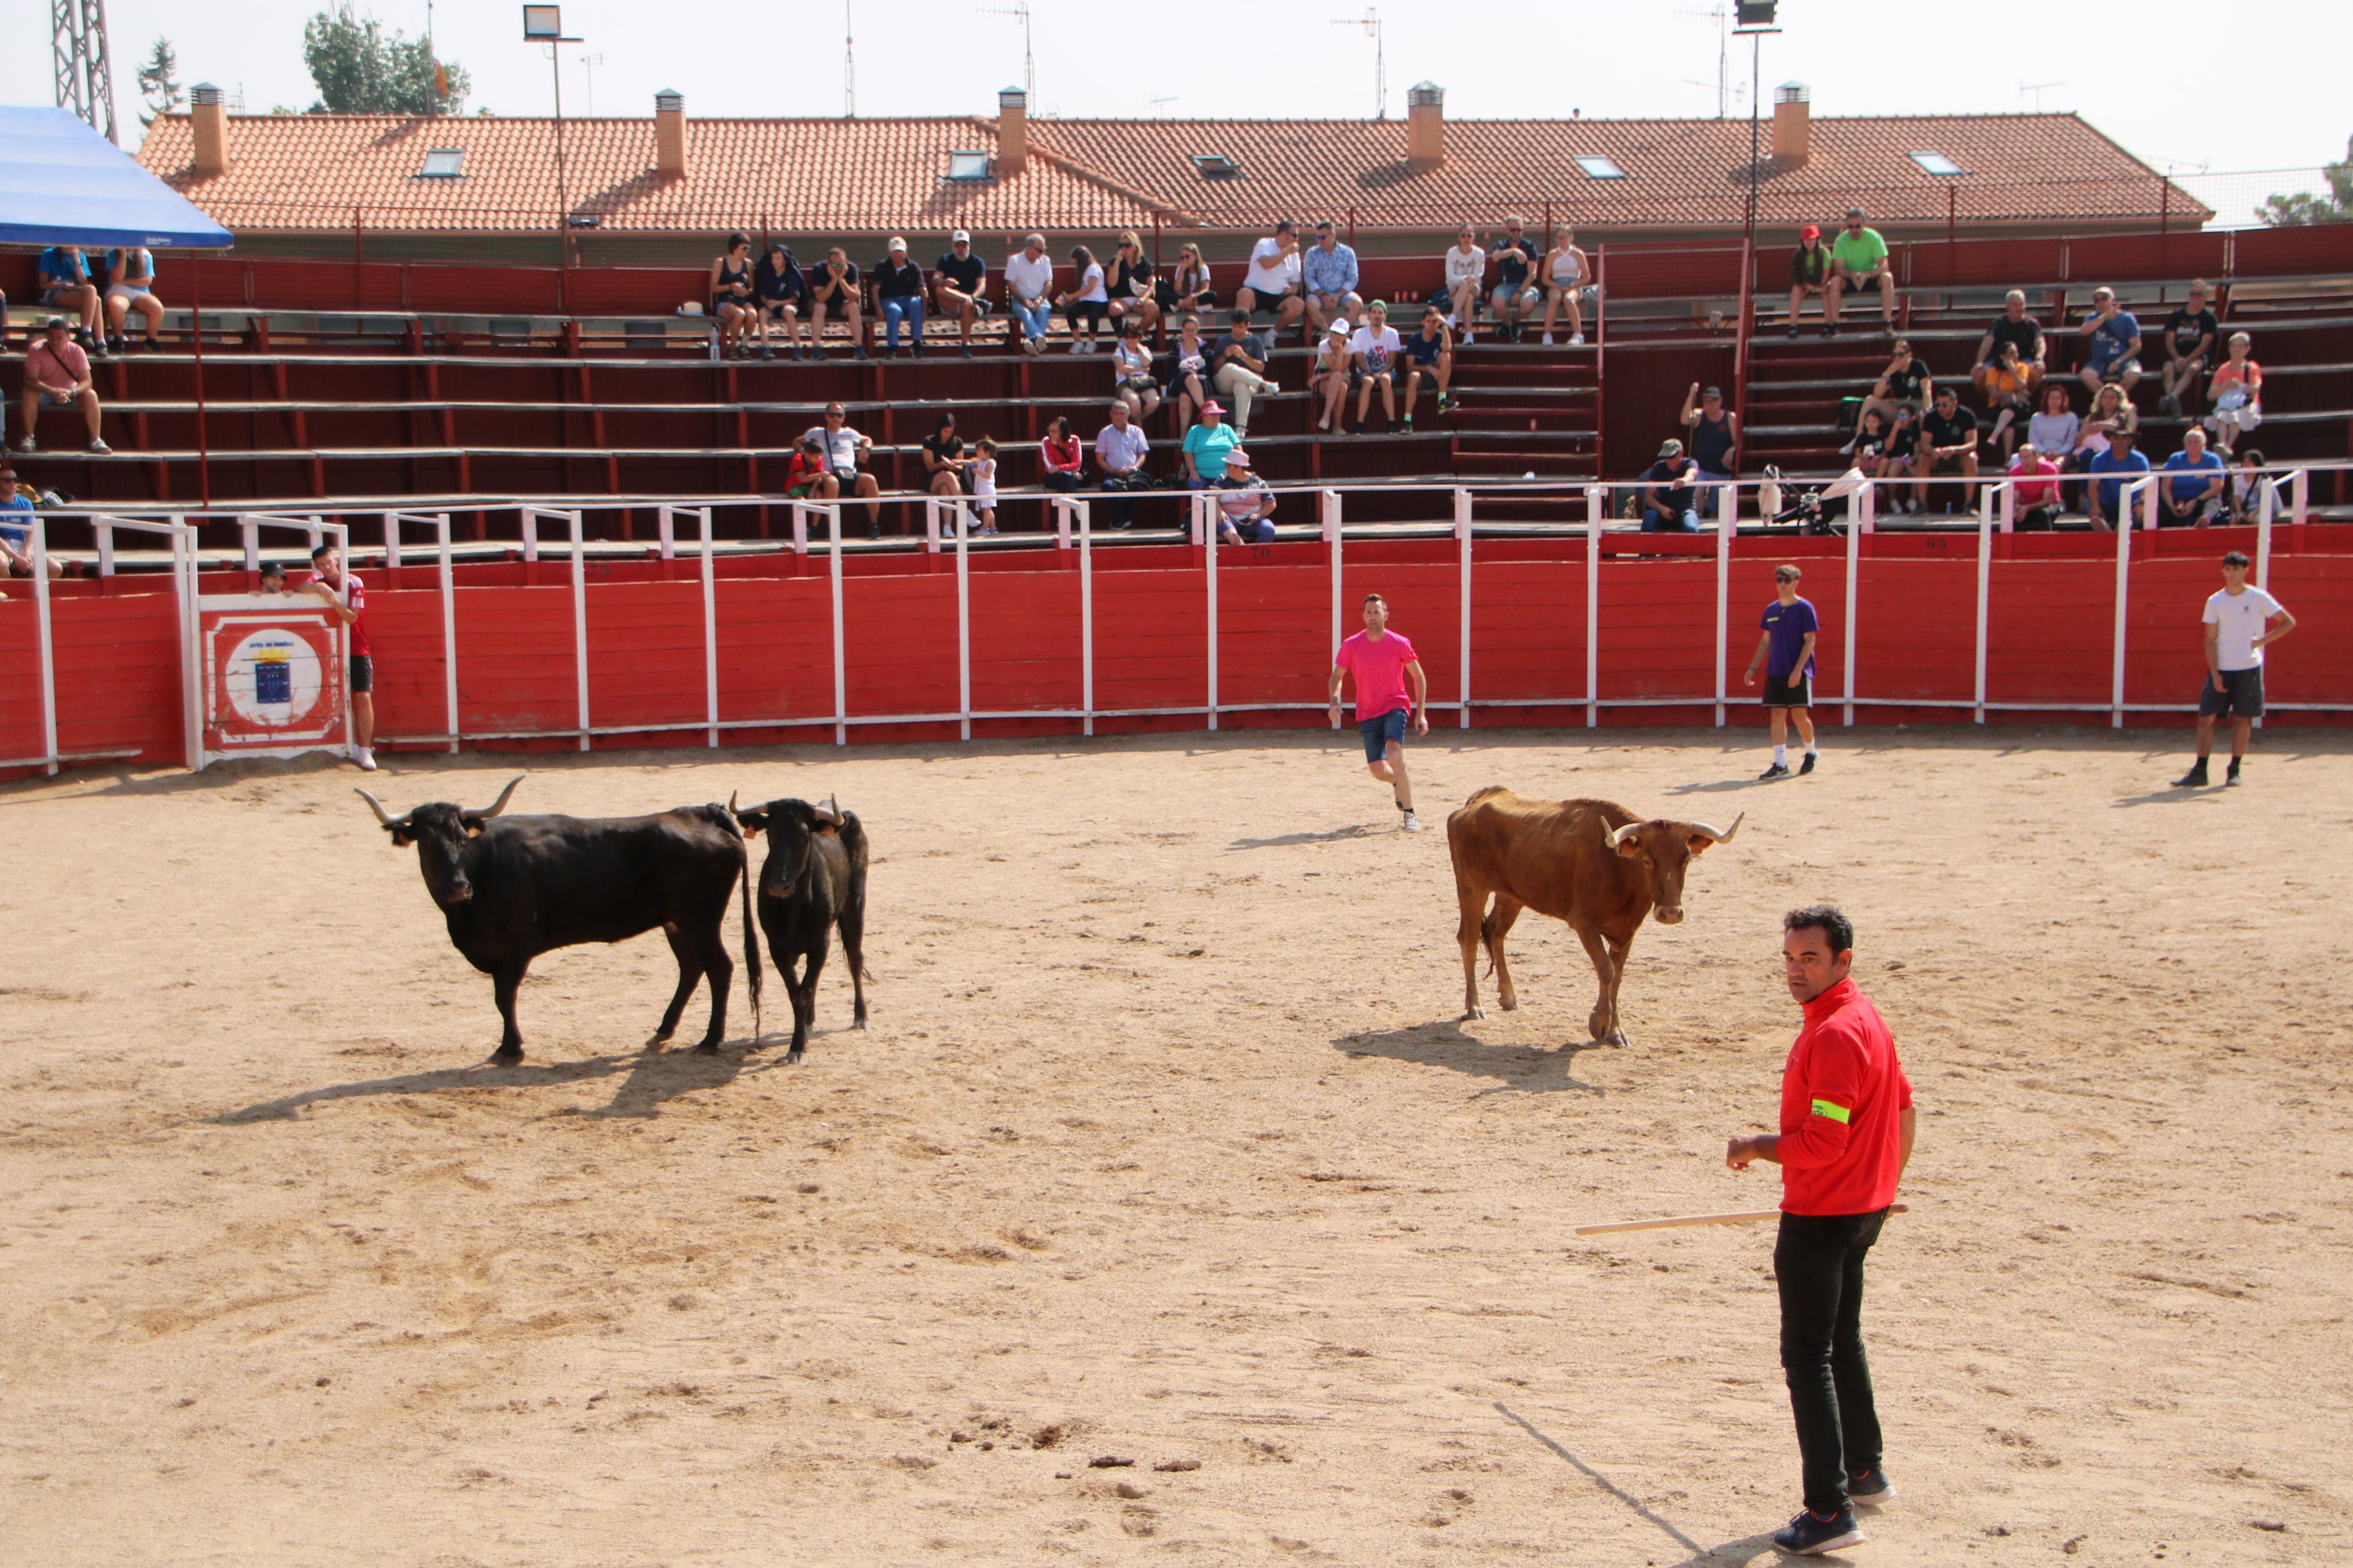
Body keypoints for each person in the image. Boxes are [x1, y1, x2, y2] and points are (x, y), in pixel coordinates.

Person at [1725, 903, 1915, 1559]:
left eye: (1809, 958)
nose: (1795, 971)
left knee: (1808, 1359)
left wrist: (1756, 1144)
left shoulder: (1834, 1033)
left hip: (1821, 1217)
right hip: (1862, 1211)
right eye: (1788, 957)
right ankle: (1863, 1471)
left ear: (1842, 961)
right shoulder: (1866, 1020)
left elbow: (1823, 1142)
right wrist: (1885, 1190)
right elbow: (1903, 1110)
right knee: (1841, 1341)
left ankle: (1828, 1509)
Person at [2172, 551, 2295, 788]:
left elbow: (2288, 622)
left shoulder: (2258, 597)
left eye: (2236, 569)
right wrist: (2216, 672)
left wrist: (2262, 641)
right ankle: (2200, 771)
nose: (2231, 574)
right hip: (2223, 667)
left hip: (2248, 666)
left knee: (2242, 719)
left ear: (2245, 571)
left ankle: (2234, 770)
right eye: (2227, 569)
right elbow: (2210, 640)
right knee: (2206, 719)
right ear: (2223, 571)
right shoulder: (2215, 601)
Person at [1326, 592, 1429, 833]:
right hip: (1368, 711)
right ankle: (1397, 782)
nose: (1373, 616)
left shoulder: (1399, 643)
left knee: (1394, 753)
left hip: (1395, 705)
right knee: (1377, 770)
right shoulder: (1351, 645)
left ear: (1386, 615)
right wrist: (1333, 702)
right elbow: (1336, 677)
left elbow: (1418, 676)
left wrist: (1421, 713)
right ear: (1363, 616)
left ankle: (1410, 813)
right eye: (1369, 612)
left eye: (1377, 612)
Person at [305, 543, 378, 771]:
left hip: (356, 647)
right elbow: (298, 590)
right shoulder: (317, 580)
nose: (326, 567)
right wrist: (319, 588)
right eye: (321, 565)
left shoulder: (354, 582)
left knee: (363, 697)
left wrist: (333, 600)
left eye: (328, 562)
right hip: (329, 649)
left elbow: (352, 618)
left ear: (335, 560)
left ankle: (365, 749)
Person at [1744, 564, 1820, 778]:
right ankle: (1780, 763)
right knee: (1777, 714)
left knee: (1799, 715)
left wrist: (1798, 670)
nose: (1783, 584)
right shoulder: (1772, 610)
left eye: (1787, 580)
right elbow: (1766, 641)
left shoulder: (1805, 608)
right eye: (1779, 580)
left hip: (1798, 670)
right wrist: (1753, 667)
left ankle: (1810, 751)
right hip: (1776, 669)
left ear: (1796, 582)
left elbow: (1810, 640)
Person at [14, 318, 110, 454]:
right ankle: (29, 437)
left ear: (68, 338)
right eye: (52, 337)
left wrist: (71, 392)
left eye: (60, 338)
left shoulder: (77, 350)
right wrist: (52, 391)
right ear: (47, 336)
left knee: (91, 395)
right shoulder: (36, 349)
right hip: (44, 392)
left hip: (70, 392)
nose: (55, 341)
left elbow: (87, 381)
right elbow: (30, 380)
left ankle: (96, 439)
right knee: (29, 394)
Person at [803, 402, 885, 535]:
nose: (836, 418)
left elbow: (868, 440)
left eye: (839, 415)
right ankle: (833, 529)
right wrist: (805, 453)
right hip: (828, 475)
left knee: (870, 480)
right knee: (832, 482)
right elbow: (797, 441)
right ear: (826, 417)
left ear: (843, 418)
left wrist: (866, 449)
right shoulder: (816, 433)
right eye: (832, 415)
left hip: (849, 475)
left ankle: (874, 525)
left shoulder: (849, 433)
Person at [1209, 310, 1277, 442]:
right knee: (1229, 367)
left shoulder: (1255, 341)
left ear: (1248, 325)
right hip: (1225, 382)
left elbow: (1261, 367)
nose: (1237, 330)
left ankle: (1240, 428)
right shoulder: (1223, 341)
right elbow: (1214, 369)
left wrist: (1244, 357)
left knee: (1241, 385)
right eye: (1234, 326)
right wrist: (1225, 356)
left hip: (1248, 383)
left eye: (1240, 326)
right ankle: (1265, 385)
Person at [1825, 209, 1896, 336]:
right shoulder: (1841, 241)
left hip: (1871, 277)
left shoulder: (1874, 237)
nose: (1854, 230)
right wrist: (1852, 275)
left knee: (1887, 278)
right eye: (1850, 226)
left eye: (1858, 226)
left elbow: (1884, 265)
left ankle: (1887, 322)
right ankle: (1834, 325)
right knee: (1834, 281)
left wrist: (1867, 275)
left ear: (1865, 224)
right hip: (1850, 279)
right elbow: (1838, 268)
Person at [1911, 386, 1980, 515]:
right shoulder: (1931, 417)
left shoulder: (1967, 416)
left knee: (1972, 458)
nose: (1941, 408)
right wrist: (1933, 451)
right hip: (1937, 457)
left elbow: (1972, 444)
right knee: (1923, 458)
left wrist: (1954, 450)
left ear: (1955, 403)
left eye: (1945, 405)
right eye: (1938, 404)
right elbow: (1924, 444)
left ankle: (1969, 504)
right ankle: (1922, 504)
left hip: (1959, 455)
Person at [1849, 341, 1930, 450]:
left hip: (1917, 406)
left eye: (1901, 355)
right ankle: (1858, 439)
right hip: (1899, 407)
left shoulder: (1918, 366)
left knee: (1924, 416)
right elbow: (1877, 393)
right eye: (1894, 355)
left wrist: (1927, 410)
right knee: (1870, 400)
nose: (1897, 358)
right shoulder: (1892, 370)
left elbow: (1927, 390)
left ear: (1909, 355)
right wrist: (1887, 374)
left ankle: (1924, 448)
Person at [1970, 290, 2045, 401]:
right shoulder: (1998, 323)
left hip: (2023, 360)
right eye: (2015, 305)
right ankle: (1992, 399)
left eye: (2021, 304)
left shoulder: (2032, 323)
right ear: (2008, 306)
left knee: (2040, 369)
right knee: (1977, 373)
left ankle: (2025, 395)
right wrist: (1980, 362)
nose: (2019, 308)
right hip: (1999, 360)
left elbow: (2040, 343)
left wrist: (2039, 358)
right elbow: (1987, 343)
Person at [2158, 280, 2218, 417]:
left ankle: (2171, 397)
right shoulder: (2176, 315)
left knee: (2192, 369)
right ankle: (2173, 400)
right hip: (2175, 354)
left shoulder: (2209, 318)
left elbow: (2204, 345)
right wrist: (2177, 358)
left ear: (2205, 297)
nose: (2195, 297)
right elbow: (2169, 341)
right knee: (2167, 370)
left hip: (2196, 356)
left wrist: (2187, 360)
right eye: (2193, 294)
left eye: (2199, 294)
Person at [1237, 221, 1305, 338]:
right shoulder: (1264, 244)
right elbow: (1266, 264)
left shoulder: (1295, 255)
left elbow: (1295, 283)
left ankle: (1272, 334)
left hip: (1278, 295)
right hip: (1256, 292)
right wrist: (1286, 252)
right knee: (1244, 294)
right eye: (1295, 235)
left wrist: (1292, 291)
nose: (1297, 239)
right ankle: (1241, 335)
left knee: (1298, 304)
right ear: (1284, 235)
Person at [930, 230, 990, 358]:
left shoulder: (978, 262)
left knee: (966, 305)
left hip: (968, 305)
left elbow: (982, 286)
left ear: (969, 246)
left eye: (964, 245)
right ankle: (972, 301)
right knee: (940, 290)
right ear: (953, 246)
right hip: (950, 304)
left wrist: (973, 297)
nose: (961, 249)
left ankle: (964, 346)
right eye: (957, 245)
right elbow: (935, 280)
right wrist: (945, 282)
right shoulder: (945, 260)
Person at [1094, 400, 1153, 529]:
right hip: (1112, 472)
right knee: (1108, 487)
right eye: (1116, 414)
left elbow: (1142, 454)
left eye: (1122, 414)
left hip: (1133, 473)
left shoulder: (1137, 432)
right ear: (1111, 414)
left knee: (1140, 488)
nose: (1119, 417)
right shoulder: (1104, 433)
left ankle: (1122, 520)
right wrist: (1113, 470)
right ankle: (1121, 519)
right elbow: (1100, 458)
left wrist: (1135, 468)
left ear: (1128, 415)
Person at [0, 460, 62, 580]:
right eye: (8, 480)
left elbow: (31, 532)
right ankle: (9, 596)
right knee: (1, 565)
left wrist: (26, 555)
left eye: (15, 479)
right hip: (2, 546)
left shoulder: (25, 503)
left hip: (22, 544)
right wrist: (17, 558)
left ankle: (38, 595)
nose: (13, 483)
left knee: (55, 568)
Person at [2078, 287, 2142, 397]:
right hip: (2099, 360)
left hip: (2123, 359)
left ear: (2112, 300)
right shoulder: (2092, 317)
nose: (2101, 303)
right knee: (2086, 375)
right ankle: (2107, 401)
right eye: (2097, 300)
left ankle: (2115, 402)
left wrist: (2118, 361)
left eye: (2104, 298)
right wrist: (2105, 317)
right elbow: (2084, 331)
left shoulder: (2127, 318)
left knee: (2134, 374)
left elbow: (2136, 346)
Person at [752, 243, 812, 360]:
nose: (775, 261)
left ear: (785, 260)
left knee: (788, 311)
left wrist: (778, 303)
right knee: (762, 313)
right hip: (771, 308)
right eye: (773, 258)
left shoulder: (791, 275)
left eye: (778, 258)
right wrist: (767, 302)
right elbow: (762, 296)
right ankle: (765, 348)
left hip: (787, 306)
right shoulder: (768, 274)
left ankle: (798, 349)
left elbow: (794, 299)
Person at [2204, 332, 2263, 452]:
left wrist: (2240, 387)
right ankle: (2222, 443)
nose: (2237, 349)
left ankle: (2228, 447)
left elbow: (2256, 388)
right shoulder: (2223, 370)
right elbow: (2210, 395)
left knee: (2234, 418)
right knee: (2222, 416)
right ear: (2230, 348)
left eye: (2241, 346)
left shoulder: (2251, 368)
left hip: (2246, 404)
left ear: (2247, 349)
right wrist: (2226, 385)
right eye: (2234, 346)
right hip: (2227, 405)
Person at [1350, 300, 1403, 431]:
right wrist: (1373, 375)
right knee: (1368, 382)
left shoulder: (1392, 334)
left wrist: (1379, 375)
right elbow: (1359, 361)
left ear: (1385, 316)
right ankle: (1359, 424)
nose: (1377, 315)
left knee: (1385, 380)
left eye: (1380, 313)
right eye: (1374, 312)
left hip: (1386, 371)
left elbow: (1392, 362)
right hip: (1366, 371)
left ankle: (1392, 422)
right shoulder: (1359, 334)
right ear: (1368, 315)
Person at [1400, 304, 1455, 430]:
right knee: (1414, 376)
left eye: (1435, 321)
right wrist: (1429, 368)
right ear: (1423, 322)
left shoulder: (1440, 335)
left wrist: (1445, 326)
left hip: (1437, 377)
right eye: (1429, 321)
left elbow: (1447, 348)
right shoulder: (1415, 339)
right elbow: (1409, 366)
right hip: (1420, 376)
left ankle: (1442, 401)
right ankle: (1407, 421)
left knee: (1445, 356)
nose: (1432, 325)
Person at [2086, 424, 2149, 532]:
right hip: (2107, 504)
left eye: (2124, 438)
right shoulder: (2099, 459)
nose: (2119, 441)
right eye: (2116, 437)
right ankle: (2103, 527)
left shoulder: (2140, 459)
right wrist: (2096, 506)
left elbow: (2146, 486)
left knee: (2142, 510)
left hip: (2131, 505)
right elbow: (2092, 486)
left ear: (2130, 441)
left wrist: (2141, 503)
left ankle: (2126, 525)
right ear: (2110, 439)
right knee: (2088, 503)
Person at [809, 247, 868, 361]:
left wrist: (841, 279)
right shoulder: (819, 269)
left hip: (840, 305)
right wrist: (833, 279)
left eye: (841, 265)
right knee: (821, 307)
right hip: (819, 305)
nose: (838, 268)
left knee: (854, 306)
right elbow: (821, 298)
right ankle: (816, 349)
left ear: (845, 262)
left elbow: (854, 297)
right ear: (829, 264)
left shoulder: (851, 269)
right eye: (835, 265)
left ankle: (859, 348)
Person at [1301, 221, 1361, 335]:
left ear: (1332, 235)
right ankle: (1329, 334)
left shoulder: (1348, 253)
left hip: (1343, 295)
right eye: (1317, 238)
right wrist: (1323, 296)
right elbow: (1309, 279)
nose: (1320, 241)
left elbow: (1353, 278)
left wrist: (1338, 295)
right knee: (1311, 304)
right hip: (1319, 295)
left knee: (1357, 304)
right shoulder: (1312, 253)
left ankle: (1342, 333)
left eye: (1323, 237)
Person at [1488, 216, 1541, 342]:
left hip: (1525, 286)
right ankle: (1512, 327)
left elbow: (1532, 274)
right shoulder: (1501, 245)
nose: (1516, 232)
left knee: (1528, 304)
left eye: (1519, 229)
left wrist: (1520, 292)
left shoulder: (1529, 246)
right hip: (1505, 285)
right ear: (1507, 230)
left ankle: (1510, 325)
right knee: (1497, 302)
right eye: (1513, 230)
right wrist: (1513, 251)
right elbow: (1495, 257)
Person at [37, 246, 102, 349]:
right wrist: (62, 285)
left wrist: (76, 260)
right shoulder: (49, 254)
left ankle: (97, 339)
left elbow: (83, 283)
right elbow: (43, 284)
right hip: (55, 292)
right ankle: (91, 337)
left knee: (94, 294)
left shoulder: (81, 256)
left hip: (75, 291)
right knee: (95, 301)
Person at [872, 237, 927, 358]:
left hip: (908, 299)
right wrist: (878, 309)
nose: (898, 254)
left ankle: (917, 343)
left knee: (916, 304)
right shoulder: (882, 266)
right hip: (888, 300)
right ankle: (892, 347)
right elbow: (875, 290)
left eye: (900, 251)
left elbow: (922, 289)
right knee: (894, 310)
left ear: (906, 251)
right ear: (889, 252)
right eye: (895, 251)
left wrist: (925, 308)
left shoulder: (913, 267)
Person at [1209, 447, 1276, 545]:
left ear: (1239, 467)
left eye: (1229, 465)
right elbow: (1212, 498)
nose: (1226, 467)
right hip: (1230, 518)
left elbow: (1271, 504)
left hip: (1252, 521)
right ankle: (1234, 538)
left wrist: (1258, 515)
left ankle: (1257, 558)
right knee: (1220, 519)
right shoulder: (1222, 479)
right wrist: (1220, 511)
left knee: (1268, 529)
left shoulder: (1258, 482)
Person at [708, 232, 759, 358]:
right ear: (734, 247)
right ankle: (733, 348)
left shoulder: (748, 264)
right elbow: (713, 287)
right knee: (739, 314)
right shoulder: (721, 262)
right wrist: (730, 287)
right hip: (725, 301)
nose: (747, 251)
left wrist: (746, 292)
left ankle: (744, 346)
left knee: (752, 315)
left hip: (742, 299)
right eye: (744, 248)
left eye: (749, 248)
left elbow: (752, 288)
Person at [1979, 342, 2033, 461]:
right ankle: (2007, 458)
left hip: (2019, 408)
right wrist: (2015, 396)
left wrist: (2013, 370)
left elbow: (2021, 386)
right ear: (2002, 356)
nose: (2016, 355)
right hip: (1996, 407)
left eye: (2016, 352)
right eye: (2012, 353)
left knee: (2011, 409)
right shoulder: (1993, 371)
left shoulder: (2022, 367)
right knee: (2010, 418)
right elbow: (1994, 394)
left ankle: (1995, 435)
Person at [102, 247, 163, 353]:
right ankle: (118, 338)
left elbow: (147, 281)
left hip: (141, 292)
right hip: (118, 291)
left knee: (157, 308)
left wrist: (123, 282)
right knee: (116, 306)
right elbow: (117, 277)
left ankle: (151, 340)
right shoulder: (113, 253)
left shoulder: (145, 254)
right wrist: (123, 256)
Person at [2162, 426, 2226, 525]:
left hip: (2203, 499)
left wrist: (2195, 501)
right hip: (2178, 501)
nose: (2193, 445)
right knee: (2161, 510)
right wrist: (2171, 506)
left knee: (2214, 501)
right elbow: (2165, 487)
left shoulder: (2212, 459)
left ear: (2203, 445)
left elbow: (2217, 488)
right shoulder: (2175, 459)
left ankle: (2205, 519)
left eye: (2197, 442)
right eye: (2190, 442)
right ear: (2185, 445)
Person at [1004, 233, 1056, 355]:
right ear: (1030, 248)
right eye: (1040, 250)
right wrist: (1024, 300)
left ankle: (1033, 341)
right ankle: (1037, 340)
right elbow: (1010, 285)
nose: (1042, 253)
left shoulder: (1045, 261)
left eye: (1044, 250)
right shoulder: (1015, 261)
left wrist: (1039, 300)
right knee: (1025, 313)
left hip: (1041, 300)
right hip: (1020, 299)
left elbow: (1049, 284)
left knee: (1043, 312)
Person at [1539, 223, 1590, 345]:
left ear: (1571, 238)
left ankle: (1578, 334)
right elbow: (1545, 278)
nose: (1561, 240)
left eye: (1564, 237)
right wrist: (1558, 286)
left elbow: (1587, 278)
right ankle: (1547, 335)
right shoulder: (1552, 255)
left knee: (1569, 299)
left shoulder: (1578, 254)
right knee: (1555, 299)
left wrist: (1573, 285)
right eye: (1559, 237)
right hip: (1556, 284)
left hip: (1574, 284)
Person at [1683, 382, 1741, 486]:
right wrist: (1691, 395)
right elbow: (1685, 420)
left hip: (1722, 472)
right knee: (1697, 493)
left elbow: (1739, 443)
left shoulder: (1730, 417)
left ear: (1720, 401)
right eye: (1705, 402)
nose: (1707, 405)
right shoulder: (1699, 415)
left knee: (1719, 501)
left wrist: (1732, 450)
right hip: (1701, 470)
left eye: (1711, 402)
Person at [1056, 245, 1110, 354]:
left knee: (1093, 317)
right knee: (1071, 313)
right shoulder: (1084, 271)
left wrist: (1073, 296)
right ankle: (1078, 342)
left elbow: (1090, 288)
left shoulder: (1094, 268)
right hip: (1085, 301)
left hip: (1099, 301)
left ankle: (1091, 343)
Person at [1105, 232, 1160, 335]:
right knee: (1114, 309)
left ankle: (1137, 335)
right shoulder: (1115, 261)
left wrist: (1144, 298)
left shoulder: (1143, 262)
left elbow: (1152, 286)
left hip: (1139, 299)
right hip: (1120, 298)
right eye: (1121, 246)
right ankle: (1121, 337)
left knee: (1154, 309)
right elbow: (1111, 284)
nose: (1124, 249)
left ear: (1135, 247)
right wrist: (1117, 261)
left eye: (1127, 245)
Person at [1639, 439, 1701, 532]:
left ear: (1681, 453)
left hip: (1685, 511)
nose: (1668, 460)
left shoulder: (1690, 463)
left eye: (1671, 456)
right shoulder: (1658, 467)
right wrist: (1662, 509)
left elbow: (1691, 474)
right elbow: (1649, 496)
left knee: (1691, 528)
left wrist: (1684, 480)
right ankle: (1642, 546)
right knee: (1649, 516)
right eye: (1665, 457)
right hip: (1663, 512)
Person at [2026, 382, 2079, 490]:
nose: (2054, 401)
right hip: (2041, 452)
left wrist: (2058, 453)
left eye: (2058, 398)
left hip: (2063, 452)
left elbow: (2071, 442)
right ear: (2046, 400)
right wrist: (2045, 452)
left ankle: (2057, 500)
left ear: (2063, 400)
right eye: (2052, 398)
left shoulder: (2071, 418)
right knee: (2040, 464)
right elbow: (2033, 440)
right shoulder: (2036, 418)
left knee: (2057, 465)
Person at [1166, 314, 1214, 432]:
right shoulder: (1176, 347)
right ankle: (1204, 409)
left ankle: (1183, 434)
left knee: (1185, 396)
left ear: (1197, 331)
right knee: (1189, 375)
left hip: (1201, 382)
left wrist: (1197, 369)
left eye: (1193, 330)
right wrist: (1183, 370)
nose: (1190, 333)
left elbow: (1210, 369)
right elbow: (1171, 369)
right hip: (1179, 381)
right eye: (1187, 330)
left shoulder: (1204, 346)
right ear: (1182, 330)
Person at [1443, 227, 1488, 344]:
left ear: (1473, 237)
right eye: (1463, 236)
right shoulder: (1452, 253)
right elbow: (1450, 277)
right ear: (1459, 237)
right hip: (1454, 290)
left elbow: (1478, 276)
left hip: (1474, 288)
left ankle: (1453, 316)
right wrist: (1464, 281)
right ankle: (1469, 335)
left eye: (1469, 236)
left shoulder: (1479, 253)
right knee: (1468, 297)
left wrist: (1463, 283)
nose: (1466, 238)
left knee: (1468, 289)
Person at [1111, 318, 1161, 421]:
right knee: (1135, 402)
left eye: (1133, 336)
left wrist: (1140, 350)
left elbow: (1146, 363)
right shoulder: (1120, 351)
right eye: (1127, 337)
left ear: (1139, 336)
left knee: (1154, 401)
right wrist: (1140, 369)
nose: (1130, 340)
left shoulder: (1145, 350)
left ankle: (1135, 421)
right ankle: (1139, 430)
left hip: (1143, 381)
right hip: (1125, 382)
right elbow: (1121, 368)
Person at [1181, 400, 1238, 489]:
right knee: (1194, 485)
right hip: (1202, 476)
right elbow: (1187, 452)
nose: (1216, 417)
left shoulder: (1227, 429)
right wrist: (1193, 472)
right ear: (1203, 416)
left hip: (1226, 475)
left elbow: (1238, 447)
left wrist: (1236, 470)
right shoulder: (1194, 431)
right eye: (1212, 414)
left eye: (1218, 414)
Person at [1786, 224, 1831, 337]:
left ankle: (1829, 325)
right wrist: (1811, 288)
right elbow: (1798, 278)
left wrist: (1820, 287)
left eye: (1811, 239)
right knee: (1796, 290)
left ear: (1817, 239)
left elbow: (1826, 274)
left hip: (1821, 283)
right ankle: (1793, 327)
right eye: (1806, 239)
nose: (1809, 242)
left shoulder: (1824, 253)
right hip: (1804, 284)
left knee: (1827, 292)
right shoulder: (1798, 255)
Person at [2008, 443, 2063, 531]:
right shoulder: (2014, 472)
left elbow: (2047, 501)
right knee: (2012, 517)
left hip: (2050, 506)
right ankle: (2013, 544)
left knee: (2043, 513)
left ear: (2036, 457)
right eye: (2021, 457)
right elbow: (2016, 499)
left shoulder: (2050, 469)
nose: (2024, 461)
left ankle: (2046, 543)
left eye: (2027, 457)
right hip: (2026, 507)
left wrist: (2027, 508)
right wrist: (2018, 509)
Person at [1311, 323, 1353, 433]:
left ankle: (1327, 415)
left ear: (1346, 336)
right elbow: (1335, 370)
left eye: (1340, 334)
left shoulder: (1350, 346)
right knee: (1342, 388)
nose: (1336, 336)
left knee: (1338, 377)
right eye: (1334, 332)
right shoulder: (1324, 345)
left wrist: (1339, 351)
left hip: (1341, 376)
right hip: (1325, 381)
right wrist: (1321, 377)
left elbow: (1341, 370)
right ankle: (1337, 426)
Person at [920, 411, 968, 504]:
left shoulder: (957, 443)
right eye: (945, 431)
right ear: (940, 429)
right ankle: (965, 511)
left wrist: (953, 466)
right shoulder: (929, 442)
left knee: (945, 489)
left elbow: (961, 466)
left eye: (951, 432)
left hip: (953, 478)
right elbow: (930, 467)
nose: (948, 435)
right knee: (948, 476)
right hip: (933, 479)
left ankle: (948, 519)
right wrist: (943, 464)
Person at [1160, 243, 1215, 318]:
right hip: (1182, 297)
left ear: (1195, 256)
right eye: (1182, 258)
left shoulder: (1203, 268)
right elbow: (1177, 290)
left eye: (1187, 257)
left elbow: (1205, 289)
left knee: (1212, 295)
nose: (1185, 260)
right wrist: (1181, 272)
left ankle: (1181, 307)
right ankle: (1192, 308)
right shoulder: (1180, 268)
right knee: (1163, 294)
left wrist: (1193, 296)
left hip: (1196, 298)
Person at [782, 436, 839, 502]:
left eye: (819, 456)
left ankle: (817, 513)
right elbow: (802, 479)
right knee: (801, 501)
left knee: (818, 495)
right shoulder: (798, 459)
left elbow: (818, 478)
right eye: (816, 457)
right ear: (807, 454)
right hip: (795, 486)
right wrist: (820, 474)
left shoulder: (819, 459)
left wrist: (812, 492)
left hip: (809, 486)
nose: (818, 459)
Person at [1039, 416, 1085, 494]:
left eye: (1054, 431)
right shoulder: (1046, 442)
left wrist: (1059, 467)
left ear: (1063, 431)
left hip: (1070, 477)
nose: (1051, 434)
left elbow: (1077, 465)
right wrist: (1072, 473)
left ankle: (1066, 506)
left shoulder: (1075, 440)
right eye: (1049, 430)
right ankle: (1070, 505)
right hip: (1053, 477)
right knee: (1069, 479)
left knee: (1069, 481)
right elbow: (1051, 469)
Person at [2227, 447, 2268, 525]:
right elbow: (2236, 497)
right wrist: (2239, 513)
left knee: (2257, 521)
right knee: (2233, 520)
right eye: (2245, 462)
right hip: (2244, 508)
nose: (2246, 465)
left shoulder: (2264, 480)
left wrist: (2253, 514)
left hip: (2259, 510)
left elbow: (2265, 501)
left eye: (2250, 463)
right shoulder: (2237, 479)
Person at [970, 438, 1000, 535]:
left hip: (987, 490)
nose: (977, 453)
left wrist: (977, 471)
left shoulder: (990, 463)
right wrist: (957, 462)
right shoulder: (980, 461)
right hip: (981, 490)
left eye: (979, 451)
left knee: (986, 510)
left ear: (987, 453)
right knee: (987, 509)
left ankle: (985, 528)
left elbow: (988, 475)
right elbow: (970, 463)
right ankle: (993, 528)